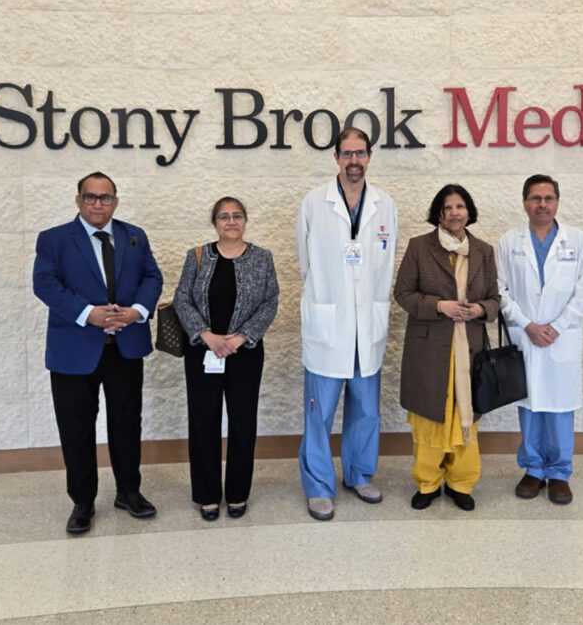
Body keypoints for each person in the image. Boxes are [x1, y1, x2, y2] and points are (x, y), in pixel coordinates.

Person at [33, 171, 163, 534]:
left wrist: (138, 311)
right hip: (74, 351)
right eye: (90, 197)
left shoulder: (134, 236)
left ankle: (129, 492)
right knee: (76, 428)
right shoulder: (54, 239)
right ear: (78, 200)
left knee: (127, 423)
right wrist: (86, 313)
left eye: (105, 198)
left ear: (115, 202)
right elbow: (44, 283)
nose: (97, 204)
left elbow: (152, 277)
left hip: (125, 347)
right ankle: (82, 501)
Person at [295, 127, 398, 521]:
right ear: (336, 157)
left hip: (367, 325)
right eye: (347, 153)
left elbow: (386, 263)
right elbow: (305, 262)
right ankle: (319, 485)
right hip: (329, 323)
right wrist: (327, 295)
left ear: (369, 156)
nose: (354, 161)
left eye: (360, 153)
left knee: (366, 409)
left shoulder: (384, 205)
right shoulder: (314, 203)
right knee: (319, 412)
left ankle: (359, 474)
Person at [394, 184, 500, 512]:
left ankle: (460, 483)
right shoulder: (419, 247)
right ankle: (427, 483)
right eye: (448, 207)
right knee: (430, 419)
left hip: (470, 351)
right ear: (438, 213)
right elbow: (403, 293)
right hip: (429, 351)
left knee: (467, 417)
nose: (455, 212)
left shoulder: (483, 251)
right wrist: (441, 306)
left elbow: (495, 299)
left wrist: (480, 309)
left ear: (469, 212)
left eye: (460, 206)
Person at [173, 197, 280, 521]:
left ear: (245, 221)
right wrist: (206, 335)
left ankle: (237, 493)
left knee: (243, 423)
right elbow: (182, 298)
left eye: (237, 216)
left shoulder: (262, 257)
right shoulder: (197, 255)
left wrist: (241, 337)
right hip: (202, 351)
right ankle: (207, 495)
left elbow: (270, 301)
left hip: (245, 353)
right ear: (214, 222)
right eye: (224, 216)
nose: (231, 221)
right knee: (203, 422)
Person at [497, 174, 583, 505]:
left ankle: (559, 473)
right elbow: (499, 290)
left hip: (561, 337)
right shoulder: (509, 242)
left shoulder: (577, 241)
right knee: (530, 404)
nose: (542, 204)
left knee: (560, 407)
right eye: (536, 198)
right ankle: (533, 469)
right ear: (525, 203)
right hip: (526, 336)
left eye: (549, 198)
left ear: (557, 202)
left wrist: (557, 326)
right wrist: (527, 325)